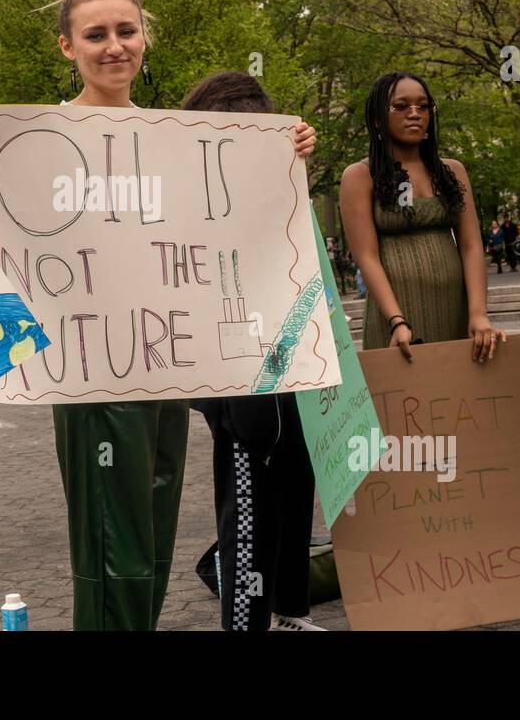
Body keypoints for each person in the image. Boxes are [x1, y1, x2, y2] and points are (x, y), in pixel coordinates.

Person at [0, 0, 315, 630]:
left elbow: (231, 229)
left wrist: (284, 150)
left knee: (149, 542)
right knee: (112, 550)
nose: (114, 46)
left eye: (126, 32)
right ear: (67, 46)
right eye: (96, 35)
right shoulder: (34, 139)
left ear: (144, 37)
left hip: (167, 370)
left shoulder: (174, 140)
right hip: (93, 378)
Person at [181, 71, 322, 632]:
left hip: (290, 356)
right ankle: (245, 623)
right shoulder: (188, 197)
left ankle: (288, 611)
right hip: (231, 370)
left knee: (294, 482)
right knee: (247, 503)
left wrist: (295, 162)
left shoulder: (278, 187)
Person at [339, 71, 506, 361]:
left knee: (459, 400)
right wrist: (397, 320)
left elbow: (471, 246)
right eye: (401, 106)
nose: (414, 113)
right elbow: (366, 257)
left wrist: (479, 314)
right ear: (378, 118)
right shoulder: (360, 176)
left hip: (455, 310)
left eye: (423, 106)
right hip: (395, 319)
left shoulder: (453, 171)